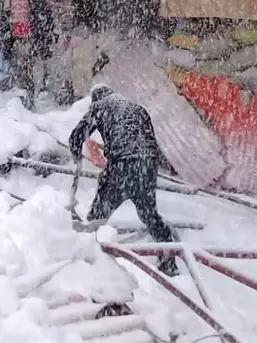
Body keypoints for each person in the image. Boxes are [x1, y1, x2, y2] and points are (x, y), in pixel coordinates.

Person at [68, 85, 179, 276]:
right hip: (147, 166)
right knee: (149, 214)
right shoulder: (137, 108)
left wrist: (76, 153)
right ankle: (168, 261)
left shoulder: (100, 106)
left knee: (98, 216)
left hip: (122, 165)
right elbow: (148, 141)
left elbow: (77, 136)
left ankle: (87, 256)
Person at [0, 0, 55, 109]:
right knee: (22, 70)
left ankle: (37, 100)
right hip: (17, 38)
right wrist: (7, 38)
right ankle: (24, 100)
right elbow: (5, 18)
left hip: (33, 38)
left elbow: (45, 18)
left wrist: (44, 39)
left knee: (35, 70)